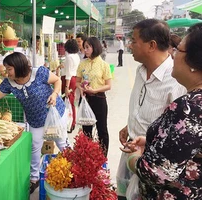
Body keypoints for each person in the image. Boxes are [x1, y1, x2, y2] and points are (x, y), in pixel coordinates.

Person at [0, 52, 68, 194]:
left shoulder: (39, 72)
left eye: (9, 69)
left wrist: (54, 94)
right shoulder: (9, 82)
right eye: (6, 68)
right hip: (35, 120)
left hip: (54, 115)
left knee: (61, 143)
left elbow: (57, 80)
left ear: (19, 66)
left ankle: (74, 169)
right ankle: (34, 179)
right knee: (35, 147)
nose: (6, 72)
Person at [121, 22, 202, 200]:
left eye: (178, 50)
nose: (172, 55)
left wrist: (135, 157)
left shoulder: (189, 108)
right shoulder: (193, 104)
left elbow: (157, 172)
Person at [76, 37, 112, 156]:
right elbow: (77, 81)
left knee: (102, 129)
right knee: (86, 130)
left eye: (87, 47)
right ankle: (88, 156)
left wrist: (95, 90)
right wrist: (81, 89)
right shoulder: (82, 64)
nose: (84, 50)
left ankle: (102, 157)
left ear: (95, 47)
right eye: (84, 47)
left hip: (99, 99)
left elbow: (108, 86)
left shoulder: (104, 65)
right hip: (86, 99)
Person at [60, 39, 80, 133]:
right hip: (74, 79)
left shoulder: (69, 57)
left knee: (67, 101)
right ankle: (72, 122)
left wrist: (66, 87)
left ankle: (70, 123)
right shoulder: (76, 56)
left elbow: (68, 73)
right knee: (71, 102)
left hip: (68, 80)